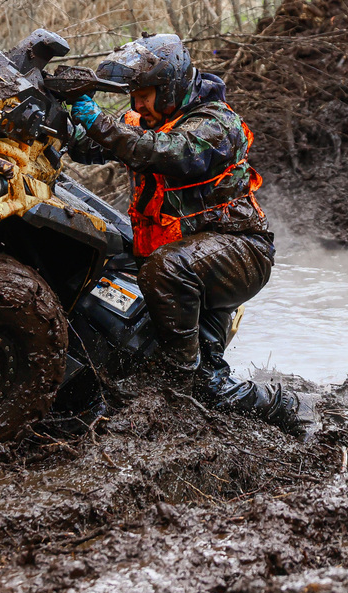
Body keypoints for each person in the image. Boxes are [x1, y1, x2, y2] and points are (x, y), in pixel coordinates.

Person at [66, 34, 306, 431]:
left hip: (238, 253)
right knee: (210, 387)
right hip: (182, 265)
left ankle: (175, 383)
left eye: (144, 96)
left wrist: (97, 120)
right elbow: (89, 145)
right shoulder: (147, 124)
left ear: (170, 87)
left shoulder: (216, 124)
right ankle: (292, 410)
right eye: (133, 96)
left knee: (167, 271)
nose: (137, 106)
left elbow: (166, 152)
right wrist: (60, 114)